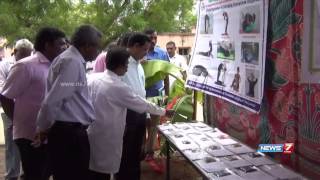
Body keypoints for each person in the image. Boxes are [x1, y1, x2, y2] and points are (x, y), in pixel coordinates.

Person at [87, 47, 174, 180]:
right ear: (120, 66)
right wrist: (164, 111)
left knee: (93, 169)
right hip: (108, 136)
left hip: (93, 132)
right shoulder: (117, 86)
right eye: (126, 65)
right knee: (103, 172)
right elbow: (142, 104)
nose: (128, 68)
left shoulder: (92, 78)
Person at [36, 25, 102, 180]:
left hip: (68, 132)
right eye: (97, 47)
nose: (98, 51)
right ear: (86, 46)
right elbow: (54, 99)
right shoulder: (72, 61)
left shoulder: (72, 59)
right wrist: (43, 128)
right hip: (69, 135)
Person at [0, 28, 67, 180]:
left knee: (45, 173)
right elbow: (5, 96)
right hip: (29, 135)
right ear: (48, 45)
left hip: (49, 132)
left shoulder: (56, 66)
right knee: (35, 174)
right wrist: (17, 120)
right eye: (60, 44)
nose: (64, 48)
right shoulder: (25, 66)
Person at [116, 32, 151, 180]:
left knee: (136, 153)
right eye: (145, 49)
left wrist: (147, 114)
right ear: (135, 46)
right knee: (125, 155)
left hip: (140, 115)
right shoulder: (121, 64)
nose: (146, 53)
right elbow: (117, 92)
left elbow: (142, 92)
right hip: (126, 117)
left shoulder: (139, 66)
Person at [0, 39, 33, 180]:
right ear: (15, 51)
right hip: (9, 109)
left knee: (27, 143)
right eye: (23, 54)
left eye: (28, 54)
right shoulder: (4, 65)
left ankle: (26, 174)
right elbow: (1, 88)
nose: (26, 57)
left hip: (27, 110)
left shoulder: (31, 64)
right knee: (12, 146)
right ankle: (11, 176)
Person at [143, 28, 170, 161]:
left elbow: (167, 74)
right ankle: (141, 150)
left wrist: (167, 94)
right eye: (150, 38)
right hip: (141, 96)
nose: (153, 40)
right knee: (142, 123)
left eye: (155, 37)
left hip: (158, 95)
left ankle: (149, 152)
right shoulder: (140, 54)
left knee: (154, 125)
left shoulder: (162, 53)